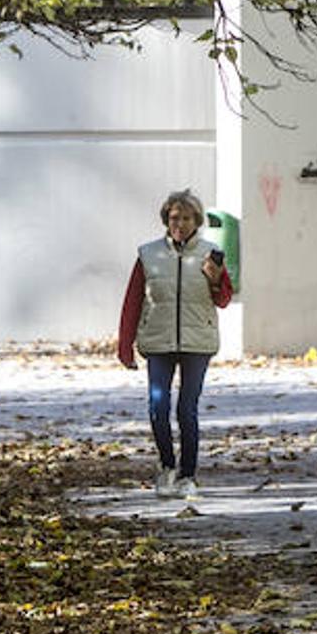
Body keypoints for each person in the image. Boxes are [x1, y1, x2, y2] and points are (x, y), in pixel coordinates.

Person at [116, 190, 234, 498]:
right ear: (166, 220)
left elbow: (223, 300)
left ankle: (187, 475)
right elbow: (132, 302)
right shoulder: (148, 254)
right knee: (158, 405)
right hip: (158, 339)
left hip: (197, 341)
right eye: (173, 218)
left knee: (186, 409)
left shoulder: (210, 253)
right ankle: (167, 466)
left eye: (185, 218)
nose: (179, 224)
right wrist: (125, 345)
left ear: (196, 220)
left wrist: (215, 278)